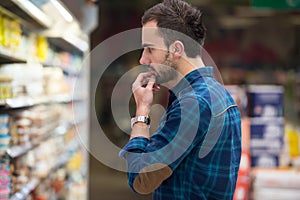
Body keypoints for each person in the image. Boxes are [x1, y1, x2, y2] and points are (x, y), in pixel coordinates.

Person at [119, 0, 242, 199]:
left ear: (176, 49)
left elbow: (140, 179)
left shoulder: (193, 105)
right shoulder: (218, 94)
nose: (143, 59)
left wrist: (142, 112)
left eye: (150, 49)